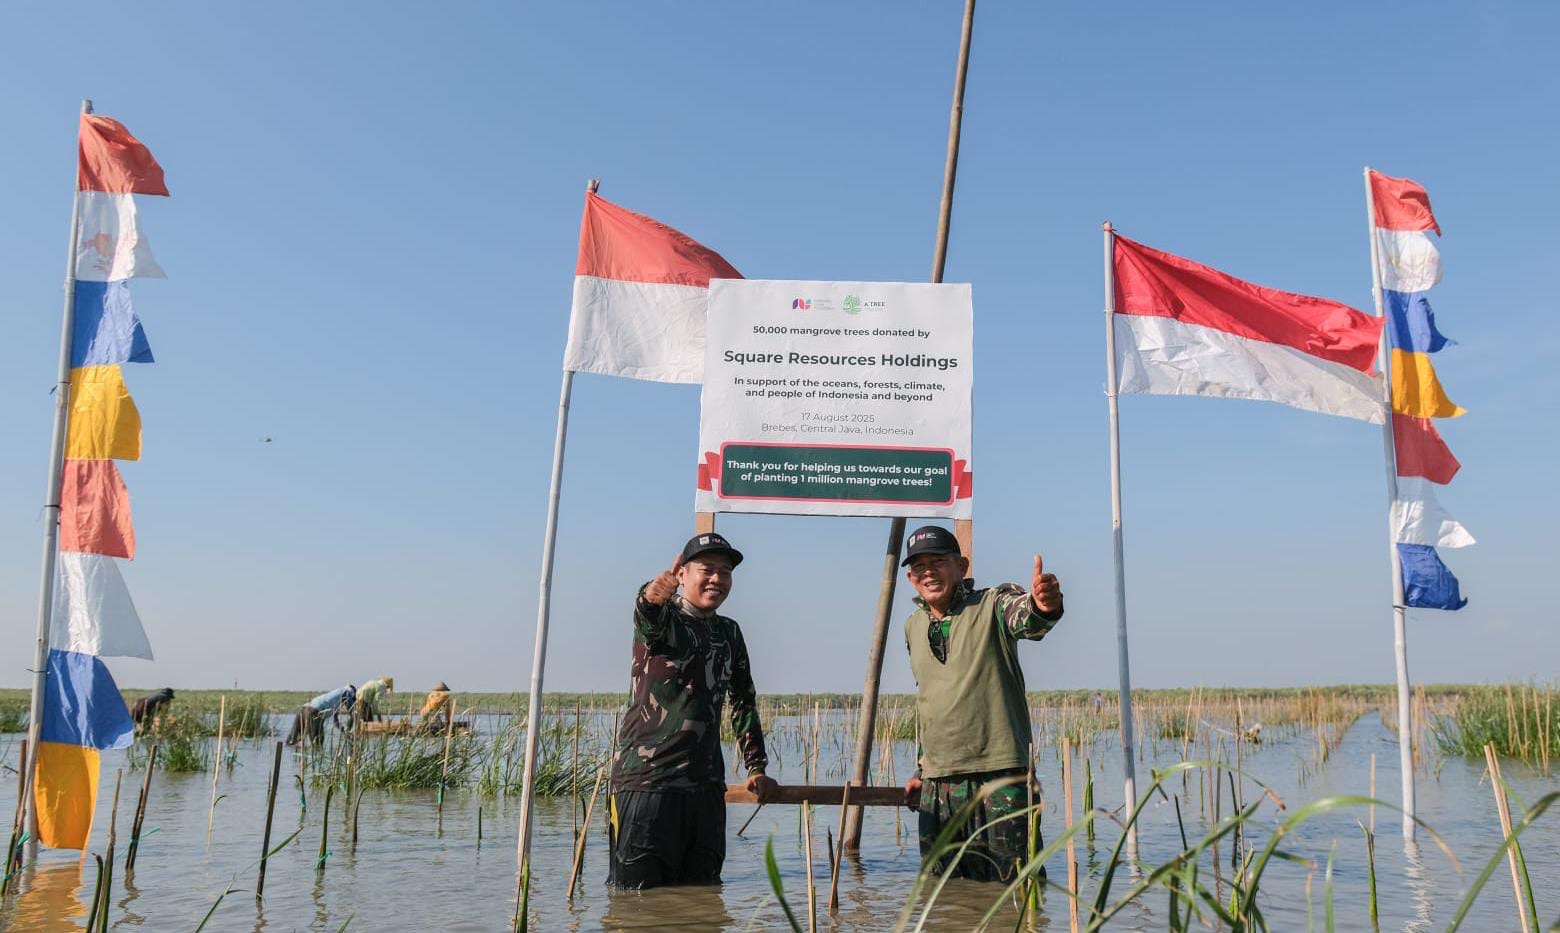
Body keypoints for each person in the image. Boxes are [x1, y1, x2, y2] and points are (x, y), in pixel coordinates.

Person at [607, 532, 779, 889]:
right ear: (682, 575)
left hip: (705, 789)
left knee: (703, 896)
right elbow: (647, 610)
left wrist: (756, 766)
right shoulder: (664, 622)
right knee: (635, 901)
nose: (717, 578)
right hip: (648, 784)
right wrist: (655, 592)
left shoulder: (729, 632)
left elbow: (743, 700)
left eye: (725, 572)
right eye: (707, 569)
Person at [899, 525, 1064, 883]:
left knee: (1016, 885)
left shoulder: (993, 603)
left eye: (938, 562)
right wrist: (921, 769)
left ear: (961, 566)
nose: (928, 571)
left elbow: (1030, 618)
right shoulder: (912, 627)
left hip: (1000, 775)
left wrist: (1043, 604)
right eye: (919, 566)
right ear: (911, 578)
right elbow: (931, 704)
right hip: (939, 784)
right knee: (944, 892)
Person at [287, 684, 356, 746]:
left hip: (304, 709)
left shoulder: (337, 698)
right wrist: (351, 727)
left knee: (294, 739)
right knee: (317, 742)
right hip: (314, 712)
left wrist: (344, 730)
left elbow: (336, 722)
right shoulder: (348, 691)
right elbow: (352, 710)